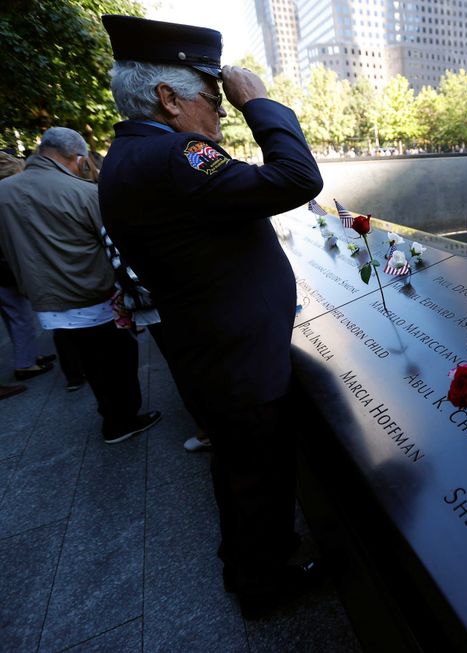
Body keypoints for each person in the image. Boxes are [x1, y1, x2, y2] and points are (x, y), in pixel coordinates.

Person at [99, 15, 324, 614]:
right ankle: (263, 587)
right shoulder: (176, 155)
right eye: (213, 101)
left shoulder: (128, 154)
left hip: (212, 349)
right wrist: (261, 103)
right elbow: (298, 177)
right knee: (258, 476)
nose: (221, 115)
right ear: (168, 98)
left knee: (241, 473)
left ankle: (252, 566)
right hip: (237, 362)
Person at [0, 127, 161, 443]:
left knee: (90, 359)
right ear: (77, 158)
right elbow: (115, 244)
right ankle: (121, 421)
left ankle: (112, 416)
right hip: (93, 295)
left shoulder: (4, 191)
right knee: (118, 359)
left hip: (45, 299)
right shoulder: (83, 192)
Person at [0, 153, 56, 382]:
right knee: (20, 317)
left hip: (4, 270)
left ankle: (29, 356)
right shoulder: (6, 198)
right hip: (4, 271)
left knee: (15, 316)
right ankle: (26, 364)